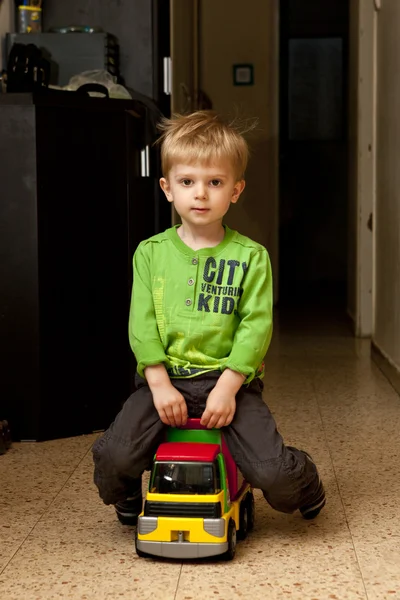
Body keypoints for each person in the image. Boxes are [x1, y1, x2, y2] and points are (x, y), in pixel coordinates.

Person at [92, 111, 326, 525]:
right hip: (163, 380)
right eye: (187, 182)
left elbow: (256, 327)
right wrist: (160, 383)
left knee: (274, 476)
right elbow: (142, 324)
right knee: (114, 455)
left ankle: (305, 479)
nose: (200, 194)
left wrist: (229, 387)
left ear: (235, 191)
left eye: (214, 183)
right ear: (167, 188)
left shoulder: (250, 257)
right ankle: (127, 493)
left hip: (230, 383)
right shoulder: (150, 253)